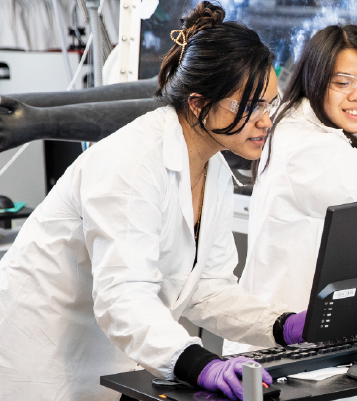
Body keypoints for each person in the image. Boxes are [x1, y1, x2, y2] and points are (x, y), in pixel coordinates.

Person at [0, 3, 308, 400]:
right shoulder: (131, 163)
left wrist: (282, 325)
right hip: (38, 360)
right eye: (248, 106)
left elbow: (208, 289)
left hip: (109, 363)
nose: (265, 119)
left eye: (268, 103)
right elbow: (123, 296)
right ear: (198, 104)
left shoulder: (212, 166)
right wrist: (201, 364)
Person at [229, 24, 357, 356]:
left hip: (314, 342)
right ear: (316, 80)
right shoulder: (306, 148)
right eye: (343, 82)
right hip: (284, 351)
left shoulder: (311, 124)